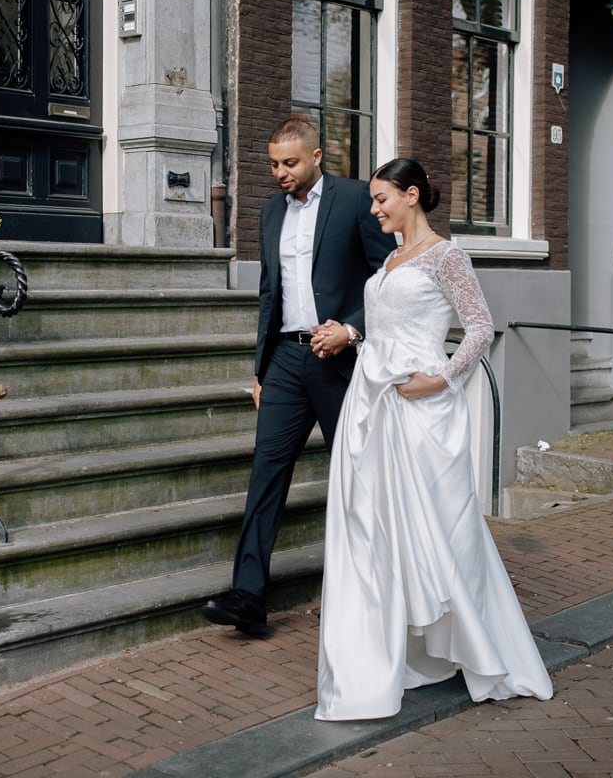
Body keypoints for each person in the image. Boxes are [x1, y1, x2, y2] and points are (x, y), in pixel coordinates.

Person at [315, 157, 552, 721]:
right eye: (372, 201)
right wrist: (352, 333)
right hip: (373, 404)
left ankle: (476, 644)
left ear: (412, 195)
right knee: (376, 531)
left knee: (446, 530)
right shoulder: (392, 259)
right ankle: (396, 653)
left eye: (381, 200)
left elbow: (479, 328)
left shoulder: (448, 256)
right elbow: (387, 321)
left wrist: (441, 377)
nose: (373, 210)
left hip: (422, 408)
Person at [203, 119, 393, 637]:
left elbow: (387, 279)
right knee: (266, 474)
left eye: (289, 163)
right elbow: (270, 293)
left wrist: (352, 329)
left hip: (339, 360)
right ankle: (248, 596)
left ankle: (374, 592)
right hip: (285, 361)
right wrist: (260, 370)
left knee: (356, 475)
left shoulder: (356, 200)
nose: (279, 173)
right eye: (273, 164)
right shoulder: (268, 212)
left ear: (316, 157)